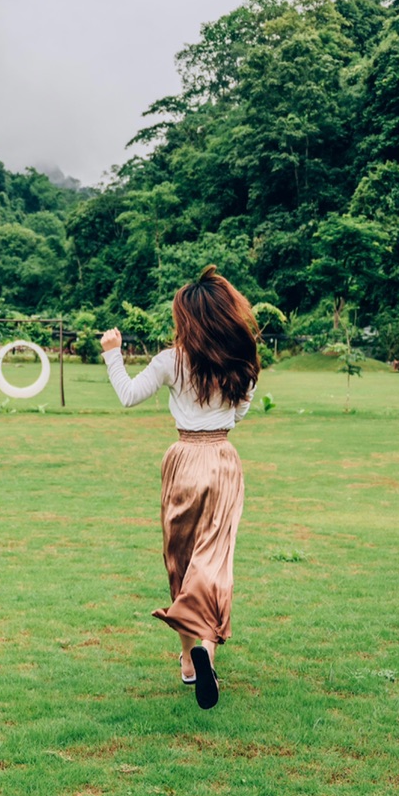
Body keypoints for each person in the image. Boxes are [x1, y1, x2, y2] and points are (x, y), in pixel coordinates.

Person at [100, 267, 260, 710]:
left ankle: (191, 660)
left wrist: (113, 352)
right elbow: (240, 412)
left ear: (187, 317)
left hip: (184, 459)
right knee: (213, 559)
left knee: (181, 560)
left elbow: (129, 395)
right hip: (224, 460)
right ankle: (203, 650)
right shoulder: (242, 361)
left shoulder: (172, 360)